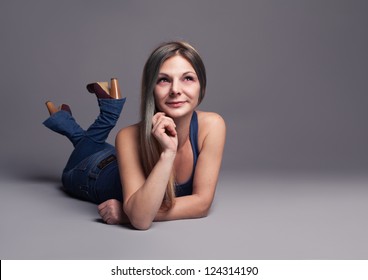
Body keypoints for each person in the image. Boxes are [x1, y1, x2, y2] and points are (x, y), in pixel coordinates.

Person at [43, 41, 226, 230]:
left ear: (201, 86)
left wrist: (129, 213)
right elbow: (141, 220)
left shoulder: (212, 125)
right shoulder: (127, 137)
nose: (175, 90)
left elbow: (202, 204)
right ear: (151, 90)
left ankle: (72, 121)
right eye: (163, 80)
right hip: (91, 172)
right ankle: (85, 118)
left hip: (117, 158)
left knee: (89, 143)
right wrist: (167, 153)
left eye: (187, 78)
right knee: (79, 159)